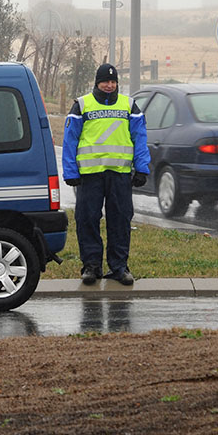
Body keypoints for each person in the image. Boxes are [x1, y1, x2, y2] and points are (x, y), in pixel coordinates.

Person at [62, 63, 150, 286]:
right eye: (105, 81)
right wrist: (70, 171)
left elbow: (139, 138)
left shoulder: (130, 106)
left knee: (120, 220)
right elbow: (70, 141)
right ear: (96, 83)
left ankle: (119, 267)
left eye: (113, 82)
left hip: (119, 175)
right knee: (87, 220)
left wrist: (142, 168)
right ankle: (91, 267)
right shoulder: (82, 105)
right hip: (89, 176)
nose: (109, 85)